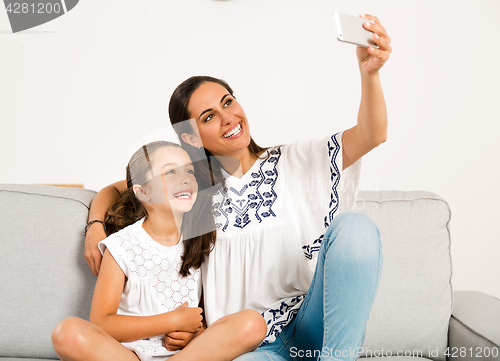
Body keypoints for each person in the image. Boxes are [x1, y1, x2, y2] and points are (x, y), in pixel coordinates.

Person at [85, 14, 391, 361]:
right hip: (247, 343)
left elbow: (371, 135)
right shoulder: (191, 191)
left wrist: (370, 74)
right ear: (190, 137)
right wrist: (95, 225)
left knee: (356, 228)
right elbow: (119, 188)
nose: (227, 117)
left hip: (310, 324)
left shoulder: (293, 161)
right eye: (209, 116)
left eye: (227, 102)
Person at [52, 141, 267, 361]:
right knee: (67, 333)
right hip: (129, 355)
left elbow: (198, 317)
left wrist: (193, 334)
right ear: (143, 192)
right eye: (170, 171)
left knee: (253, 323)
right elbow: (101, 323)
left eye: (189, 170)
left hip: (183, 356)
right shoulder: (121, 246)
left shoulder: (199, 240)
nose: (185, 177)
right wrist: (173, 321)